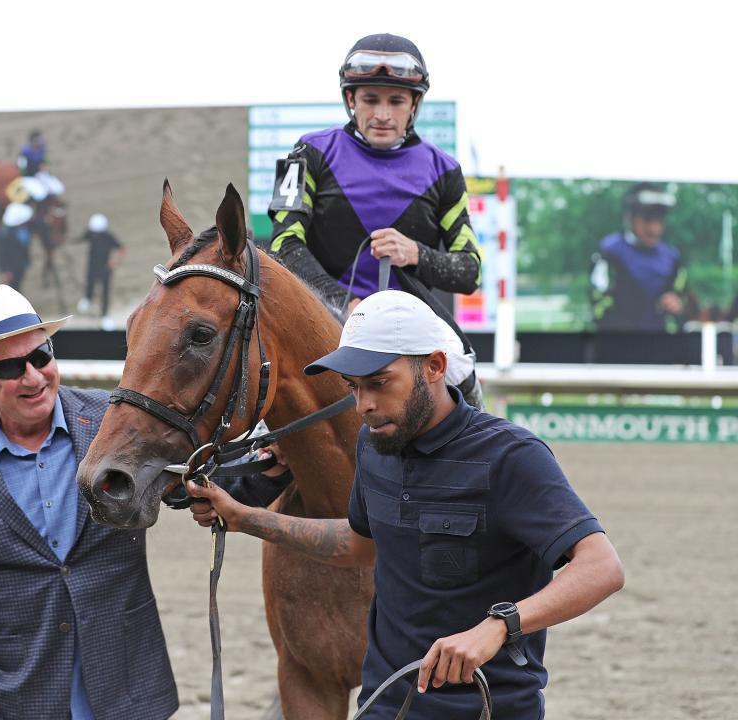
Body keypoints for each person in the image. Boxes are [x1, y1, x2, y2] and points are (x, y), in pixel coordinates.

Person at [187, 290, 624, 719]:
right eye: (354, 388)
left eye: (379, 383)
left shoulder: (512, 456)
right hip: (385, 705)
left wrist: (499, 626)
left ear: (434, 366)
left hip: (489, 709)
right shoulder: (373, 446)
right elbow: (361, 544)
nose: (364, 406)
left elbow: (602, 568)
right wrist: (245, 518)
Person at [0, 284, 178, 719]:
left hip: (125, 692)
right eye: (11, 367)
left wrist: (262, 471)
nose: (33, 376)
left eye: (41, 355)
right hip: (0, 702)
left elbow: (199, 477)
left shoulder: (117, 425)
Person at [268, 33, 484, 406]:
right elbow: (282, 245)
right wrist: (345, 303)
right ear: (351, 100)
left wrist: (415, 252)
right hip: (319, 313)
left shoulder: (445, 170)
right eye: (370, 99)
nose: (382, 114)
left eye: (396, 101)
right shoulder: (308, 152)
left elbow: (469, 272)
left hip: (410, 322)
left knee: (460, 371)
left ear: (414, 104)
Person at [590, 182, 697, 332]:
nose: (654, 229)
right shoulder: (610, 252)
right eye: (647, 220)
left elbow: (686, 306)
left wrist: (677, 306)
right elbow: (599, 307)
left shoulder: (672, 257)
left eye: (659, 220)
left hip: (660, 345)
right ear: (629, 218)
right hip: (620, 345)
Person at [77, 213, 124, 328]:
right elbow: (80, 239)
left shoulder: (108, 236)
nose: (95, 235)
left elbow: (121, 248)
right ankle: (87, 299)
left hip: (105, 269)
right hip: (92, 266)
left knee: (105, 293)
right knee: (90, 284)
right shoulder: (91, 233)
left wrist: (114, 262)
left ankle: (104, 316)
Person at [0, 202, 34, 292]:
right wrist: (5, 270)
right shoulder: (6, 235)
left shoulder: (24, 229)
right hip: (12, 267)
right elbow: (2, 253)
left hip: (21, 264)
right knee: (14, 288)